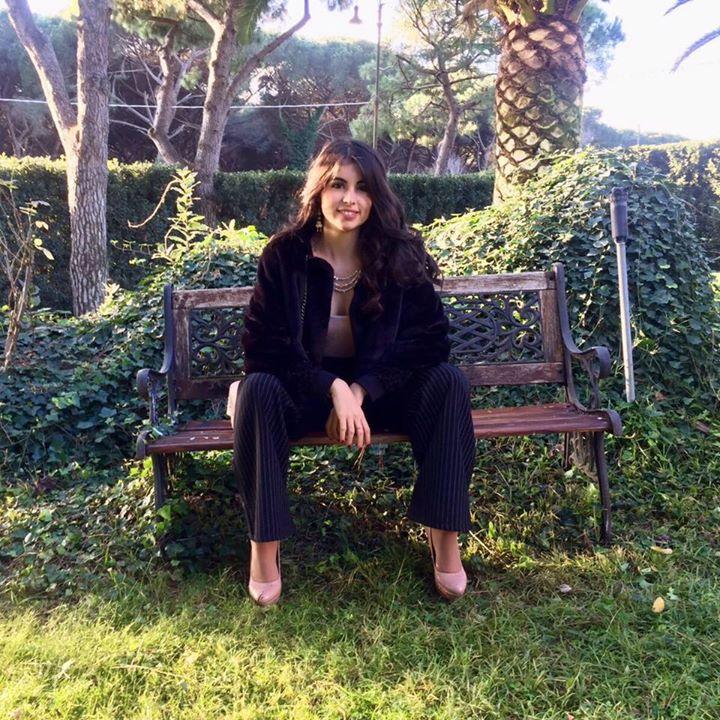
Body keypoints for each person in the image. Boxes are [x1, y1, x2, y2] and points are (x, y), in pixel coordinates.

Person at [229, 138, 476, 606]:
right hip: (306, 394)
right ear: (318, 190)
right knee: (256, 389)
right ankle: (263, 547)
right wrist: (333, 388)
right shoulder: (285, 256)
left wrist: (361, 389)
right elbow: (264, 347)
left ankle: (445, 538)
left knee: (448, 382)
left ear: (376, 195)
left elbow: (429, 342)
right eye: (338, 185)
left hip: (380, 396)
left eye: (363, 187)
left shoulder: (400, 254)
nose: (350, 199)